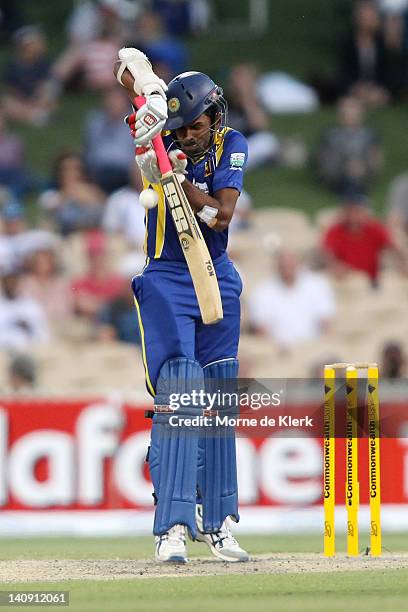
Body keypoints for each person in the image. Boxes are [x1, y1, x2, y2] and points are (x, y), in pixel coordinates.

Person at [118, 49, 249, 563]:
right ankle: (172, 526)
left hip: (216, 274)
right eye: (180, 127)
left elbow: (222, 214)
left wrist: (172, 175)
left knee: (217, 396)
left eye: (194, 126)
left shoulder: (231, 144)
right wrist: (147, 113)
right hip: (167, 276)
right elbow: (126, 61)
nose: (186, 135)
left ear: (214, 116)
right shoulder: (163, 134)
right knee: (181, 390)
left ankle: (218, 524)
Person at [248, 249, 336, 349]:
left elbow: (326, 323)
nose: (287, 267)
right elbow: (262, 329)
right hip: (280, 350)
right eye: (284, 264)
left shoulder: (318, 285)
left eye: (291, 263)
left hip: (313, 347)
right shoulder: (262, 291)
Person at [321, 192, 407, 286]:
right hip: (345, 281)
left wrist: (402, 263)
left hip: (371, 281)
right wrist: (334, 266)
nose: (353, 216)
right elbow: (326, 254)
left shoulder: (374, 228)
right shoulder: (334, 231)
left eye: (357, 211)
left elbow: (393, 248)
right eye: (350, 211)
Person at [315, 96, 382, 194]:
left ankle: (354, 192)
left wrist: (365, 166)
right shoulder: (330, 135)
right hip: (337, 173)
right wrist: (345, 165)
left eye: (353, 110)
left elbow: (375, 158)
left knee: (356, 169)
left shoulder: (370, 135)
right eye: (346, 111)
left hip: (361, 172)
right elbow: (324, 160)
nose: (350, 114)